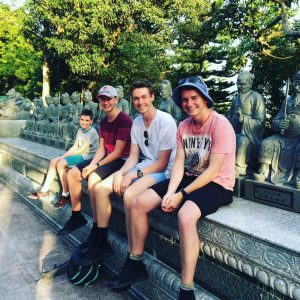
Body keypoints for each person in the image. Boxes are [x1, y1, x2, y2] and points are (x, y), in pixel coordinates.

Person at [108, 76, 236, 300]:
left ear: (205, 99)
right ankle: (135, 262)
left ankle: (186, 289)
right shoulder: (184, 126)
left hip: (217, 184)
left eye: (194, 98)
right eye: (185, 100)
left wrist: (182, 195)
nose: (189, 104)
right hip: (189, 177)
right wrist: (169, 192)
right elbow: (178, 163)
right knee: (137, 202)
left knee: (185, 216)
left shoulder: (220, 125)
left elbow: (213, 171)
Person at [79, 79, 177, 265]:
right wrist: (120, 173)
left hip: (163, 172)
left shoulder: (166, 121)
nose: (140, 102)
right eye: (136, 99)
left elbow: (162, 164)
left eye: (144, 97)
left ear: (152, 97)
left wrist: (132, 175)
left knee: (129, 194)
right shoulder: (137, 122)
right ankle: (101, 239)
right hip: (143, 166)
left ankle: (133, 258)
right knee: (100, 188)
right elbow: (132, 157)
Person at [56, 85, 133, 238]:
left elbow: (118, 152)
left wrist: (95, 167)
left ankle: (97, 227)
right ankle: (77, 216)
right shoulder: (103, 121)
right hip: (108, 157)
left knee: (93, 179)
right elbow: (102, 149)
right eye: (102, 99)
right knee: (72, 173)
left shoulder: (124, 120)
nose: (105, 102)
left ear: (116, 100)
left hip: (123, 160)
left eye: (108, 99)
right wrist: (92, 164)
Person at [28, 109, 99, 200]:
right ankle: (44, 191)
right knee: (53, 161)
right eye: (82, 120)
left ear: (91, 121)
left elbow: (82, 150)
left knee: (60, 163)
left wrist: (62, 158)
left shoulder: (92, 132)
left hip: (87, 157)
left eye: (87, 120)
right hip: (79, 155)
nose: (84, 122)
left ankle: (65, 194)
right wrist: (62, 156)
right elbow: (75, 147)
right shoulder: (80, 130)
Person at [253, 71, 300, 188]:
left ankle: (298, 176)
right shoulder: (287, 101)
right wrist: (280, 124)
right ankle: (263, 170)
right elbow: (274, 122)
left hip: (298, 137)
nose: (297, 85)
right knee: (267, 142)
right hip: (283, 137)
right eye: (296, 82)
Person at [227, 71, 265, 176]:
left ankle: (239, 167)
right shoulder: (235, 100)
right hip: (235, 132)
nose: (239, 86)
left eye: (242, 84)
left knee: (242, 141)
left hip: (251, 137)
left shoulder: (257, 98)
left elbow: (260, 122)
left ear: (250, 84)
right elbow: (229, 118)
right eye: (238, 84)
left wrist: (244, 119)